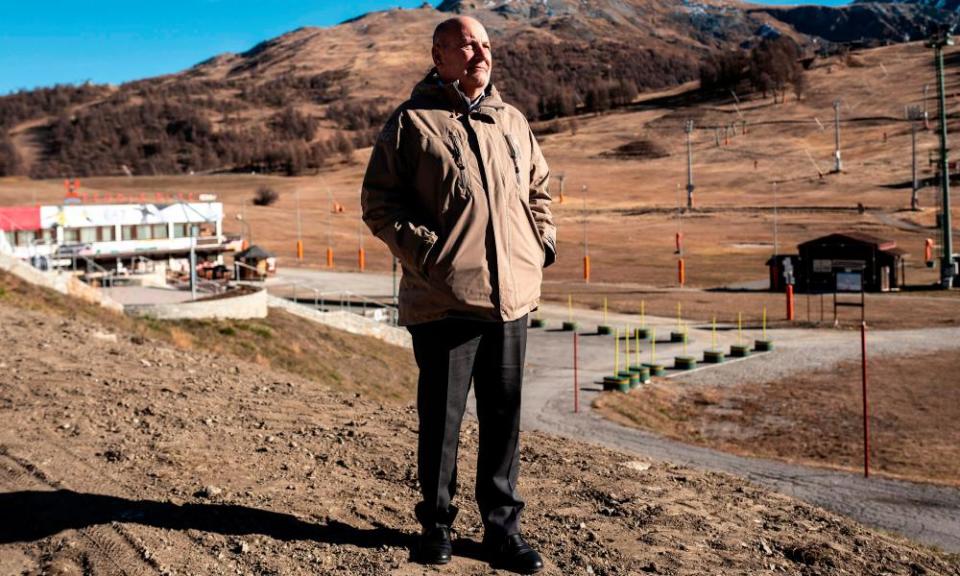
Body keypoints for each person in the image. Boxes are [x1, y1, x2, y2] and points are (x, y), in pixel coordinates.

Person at [361, 15, 555, 575]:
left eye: (486, 45)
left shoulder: (513, 121)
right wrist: (430, 255)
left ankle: (502, 530)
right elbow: (379, 204)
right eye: (467, 45)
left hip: (512, 299)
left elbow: (538, 189)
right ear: (438, 54)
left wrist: (540, 242)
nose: (480, 54)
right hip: (444, 300)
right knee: (442, 421)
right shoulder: (410, 124)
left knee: (503, 417)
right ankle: (436, 526)